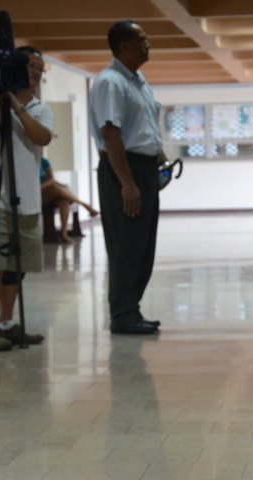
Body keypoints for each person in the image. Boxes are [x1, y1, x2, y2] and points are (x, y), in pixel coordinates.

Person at [0, 46, 54, 351]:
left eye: (40, 68)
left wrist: (16, 105)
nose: (35, 72)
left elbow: (41, 137)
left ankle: (7, 323)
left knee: (15, 267)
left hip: (26, 196)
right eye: (30, 65)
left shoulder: (40, 108)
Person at [89, 21, 168, 335]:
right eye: (142, 40)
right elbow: (111, 134)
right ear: (124, 46)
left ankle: (131, 309)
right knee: (126, 246)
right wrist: (128, 184)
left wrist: (159, 159)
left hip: (144, 167)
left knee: (143, 246)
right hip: (123, 168)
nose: (148, 44)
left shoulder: (137, 80)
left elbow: (145, 126)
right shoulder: (111, 81)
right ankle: (122, 315)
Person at [40, 157, 98, 244]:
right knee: (55, 187)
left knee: (64, 202)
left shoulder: (44, 162)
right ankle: (85, 205)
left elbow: (51, 179)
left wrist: (42, 186)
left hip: (47, 191)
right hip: (38, 195)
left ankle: (64, 234)